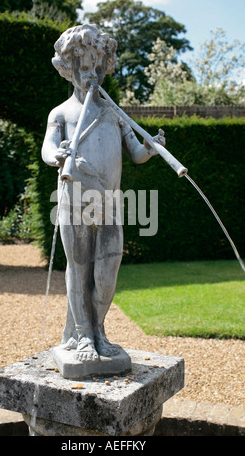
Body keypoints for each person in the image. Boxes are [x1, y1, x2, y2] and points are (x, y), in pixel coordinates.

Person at [41, 24, 165, 363]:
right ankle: (83, 336)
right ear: (68, 68)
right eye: (84, 66)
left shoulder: (114, 113)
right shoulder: (62, 114)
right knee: (79, 268)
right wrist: (59, 155)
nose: (92, 74)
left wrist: (152, 148)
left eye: (99, 66)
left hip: (109, 205)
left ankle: (99, 329)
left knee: (107, 271)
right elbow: (47, 150)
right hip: (75, 204)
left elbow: (136, 154)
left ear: (105, 66)